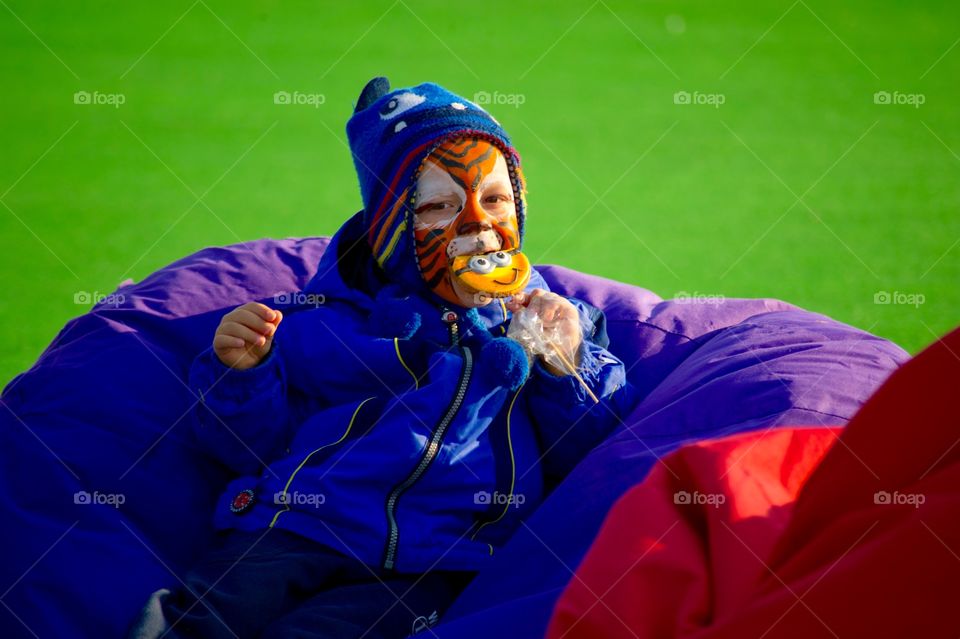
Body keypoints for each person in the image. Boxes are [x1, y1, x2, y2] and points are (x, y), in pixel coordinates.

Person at [128, 76, 639, 639]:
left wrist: (564, 365)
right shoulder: (328, 321)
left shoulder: (554, 324)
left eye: (495, 199)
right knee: (207, 619)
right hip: (299, 524)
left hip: (439, 559)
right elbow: (245, 447)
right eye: (440, 206)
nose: (478, 224)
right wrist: (243, 373)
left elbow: (593, 452)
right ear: (391, 231)